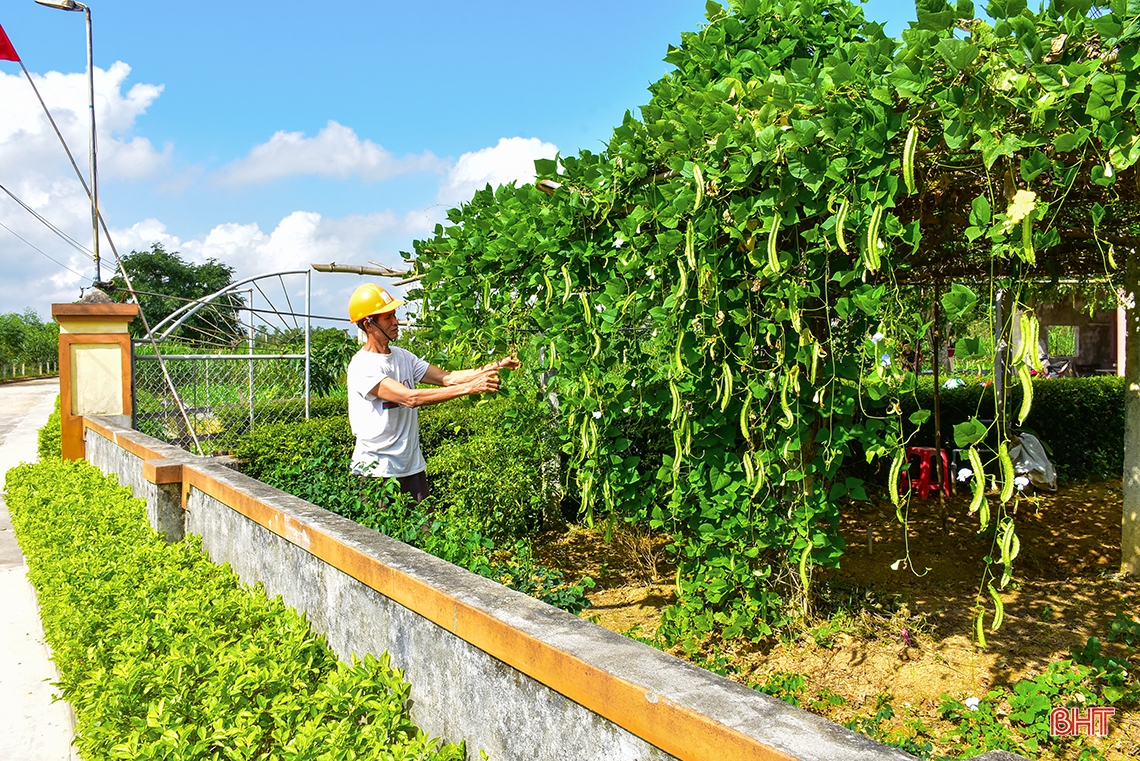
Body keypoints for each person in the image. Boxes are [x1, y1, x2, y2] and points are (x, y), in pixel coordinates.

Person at [345, 282, 519, 502]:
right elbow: (410, 398)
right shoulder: (363, 366)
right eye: (387, 317)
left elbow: (448, 378)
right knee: (378, 535)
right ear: (368, 324)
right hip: (377, 470)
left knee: (424, 533)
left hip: (410, 466)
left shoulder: (403, 356)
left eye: (394, 315)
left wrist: (497, 365)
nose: (395, 322)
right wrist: (469, 389)